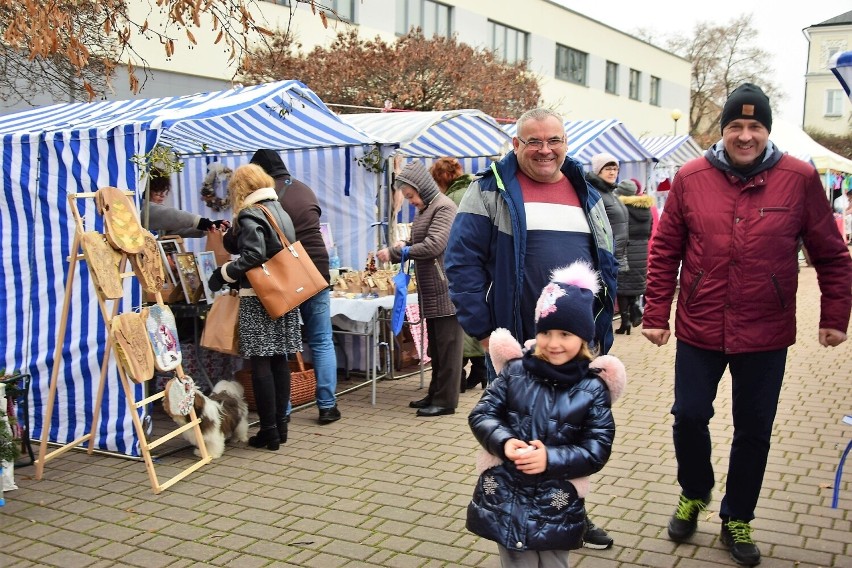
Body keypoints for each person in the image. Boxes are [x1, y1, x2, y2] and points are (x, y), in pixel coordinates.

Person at [641, 83, 852, 566]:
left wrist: (834, 316)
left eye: (755, 126)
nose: (745, 135)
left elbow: (832, 256)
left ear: (767, 131)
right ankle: (694, 492)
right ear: (723, 131)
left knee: (754, 430)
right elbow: (663, 250)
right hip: (700, 325)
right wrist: (655, 314)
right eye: (735, 125)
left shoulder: (799, 178)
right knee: (689, 415)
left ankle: (738, 516)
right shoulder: (691, 177)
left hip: (765, 330)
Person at [445, 107, 619, 549]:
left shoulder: (588, 193)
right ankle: (512, 520)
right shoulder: (490, 191)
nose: (545, 150)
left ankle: (569, 513)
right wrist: (485, 331)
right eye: (534, 141)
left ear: (566, 143)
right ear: (516, 145)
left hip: (573, 344)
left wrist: (601, 327)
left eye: (554, 140)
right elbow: (461, 263)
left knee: (573, 431)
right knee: (519, 435)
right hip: (518, 340)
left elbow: (605, 260)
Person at [467, 261, 627, 566]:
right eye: (547, 332)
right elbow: (482, 413)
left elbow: (597, 449)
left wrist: (550, 459)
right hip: (507, 492)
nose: (553, 343)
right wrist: (503, 442)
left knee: (553, 560)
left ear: (583, 338)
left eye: (565, 334)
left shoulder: (592, 389)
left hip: (557, 501)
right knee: (515, 560)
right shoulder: (515, 372)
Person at [207, 164, 303, 451]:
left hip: (259, 296)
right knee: (279, 361)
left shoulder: (250, 213)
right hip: (284, 294)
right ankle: (281, 426)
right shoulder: (278, 209)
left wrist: (222, 274)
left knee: (261, 363)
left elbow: (253, 254)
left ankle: (269, 431)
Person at [249, 149, 341, 424]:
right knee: (322, 340)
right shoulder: (305, 190)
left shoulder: (268, 198)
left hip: (288, 274)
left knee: (284, 344)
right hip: (318, 271)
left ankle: (284, 409)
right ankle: (327, 406)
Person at [377, 161, 464, 417]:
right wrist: (406, 241)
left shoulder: (444, 207)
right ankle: (435, 394)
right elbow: (420, 240)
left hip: (446, 288)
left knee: (448, 349)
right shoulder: (427, 208)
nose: (411, 202)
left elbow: (435, 244)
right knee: (436, 349)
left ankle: (447, 401)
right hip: (432, 289)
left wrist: (396, 251)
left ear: (422, 188)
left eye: (411, 196)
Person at [429, 157, 487, 391]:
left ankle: (459, 377)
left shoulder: (449, 199)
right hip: (484, 265)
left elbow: (449, 240)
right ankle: (481, 370)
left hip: (464, 264)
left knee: (462, 324)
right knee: (479, 316)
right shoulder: (476, 189)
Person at [586, 153, 630, 334]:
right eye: (608, 168)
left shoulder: (611, 193)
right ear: (598, 170)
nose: (612, 172)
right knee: (599, 309)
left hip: (615, 257)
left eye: (615, 168)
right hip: (603, 259)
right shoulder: (595, 193)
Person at [613, 178, 654, 333]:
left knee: (622, 287)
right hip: (642, 249)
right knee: (635, 283)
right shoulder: (646, 208)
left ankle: (625, 322)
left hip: (626, 249)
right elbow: (649, 232)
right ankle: (635, 308)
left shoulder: (621, 208)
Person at [144, 170, 229, 237]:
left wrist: (210, 225)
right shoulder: (143, 209)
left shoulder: (160, 215)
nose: (162, 195)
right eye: (157, 191)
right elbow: (168, 214)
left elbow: (179, 229)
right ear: (147, 190)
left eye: (164, 191)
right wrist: (201, 222)